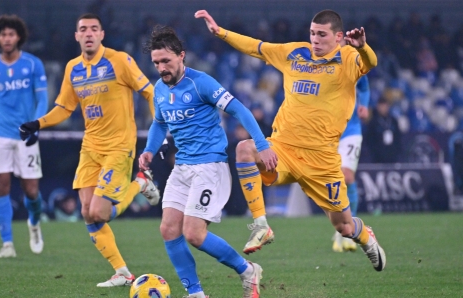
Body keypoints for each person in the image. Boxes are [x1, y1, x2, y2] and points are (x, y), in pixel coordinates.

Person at [195, 9, 386, 271]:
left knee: (343, 226)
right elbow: (257, 47)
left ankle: (366, 237)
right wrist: (221, 32)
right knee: (244, 149)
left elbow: (371, 63)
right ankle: (261, 225)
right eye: (312, 33)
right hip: (283, 149)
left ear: (339, 36)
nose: (315, 39)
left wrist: (363, 47)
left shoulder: (349, 57)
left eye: (321, 34)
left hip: (322, 160)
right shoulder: (296, 53)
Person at [19, 13, 160, 288]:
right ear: (76, 36)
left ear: (102, 34)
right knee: (87, 212)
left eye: (94, 29)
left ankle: (140, 183)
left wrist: (158, 125)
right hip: (90, 147)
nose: (88, 33)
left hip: (119, 145)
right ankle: (123, 273)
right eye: (83, 29)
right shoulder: (73, 68)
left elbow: (149, 92)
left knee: (101, 211)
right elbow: (64, 107)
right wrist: (39, 123)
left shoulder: (120, 60)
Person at [139, 25, 277, 298]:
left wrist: (262, 145)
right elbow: (158, 124)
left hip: (210, 167)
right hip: (182, 168)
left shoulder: (201, 82)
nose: (161, 67)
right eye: (156, 63)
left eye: (166, 60)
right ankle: (196, 294)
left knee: (193, 233)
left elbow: (240, 109)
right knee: (168, 229)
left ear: (182, 56)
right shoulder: (159, 89)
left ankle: (247, 270)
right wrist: (149, 150)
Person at [0, 14, 47, 258]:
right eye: (3, 34)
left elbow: (43, 99)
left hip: (24, 134)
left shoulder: (33, 64)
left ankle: (34, 223)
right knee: (1, 185)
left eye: (11, 34)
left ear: (19, 37)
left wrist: (35, 126)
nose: (7, 38)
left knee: (31, 191)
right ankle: (7, 244)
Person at [332, 74, 370, 252]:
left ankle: (349, 228)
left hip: (351, 130)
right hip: (327, 130)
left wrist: (364, 104)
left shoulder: (355, 64)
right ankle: (341, 228)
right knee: (334, 180)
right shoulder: (321, 61)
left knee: (347, 176)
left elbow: (364, 87)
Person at [365, 97, 402, 163]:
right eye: (381, 106)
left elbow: (398, 137)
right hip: (378, 156)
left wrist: (396, 152)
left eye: (385, 106)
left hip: (392, 154)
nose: (383, 108)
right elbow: (370, 140)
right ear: (378, 107)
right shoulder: (373, 122)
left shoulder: (393, 121)